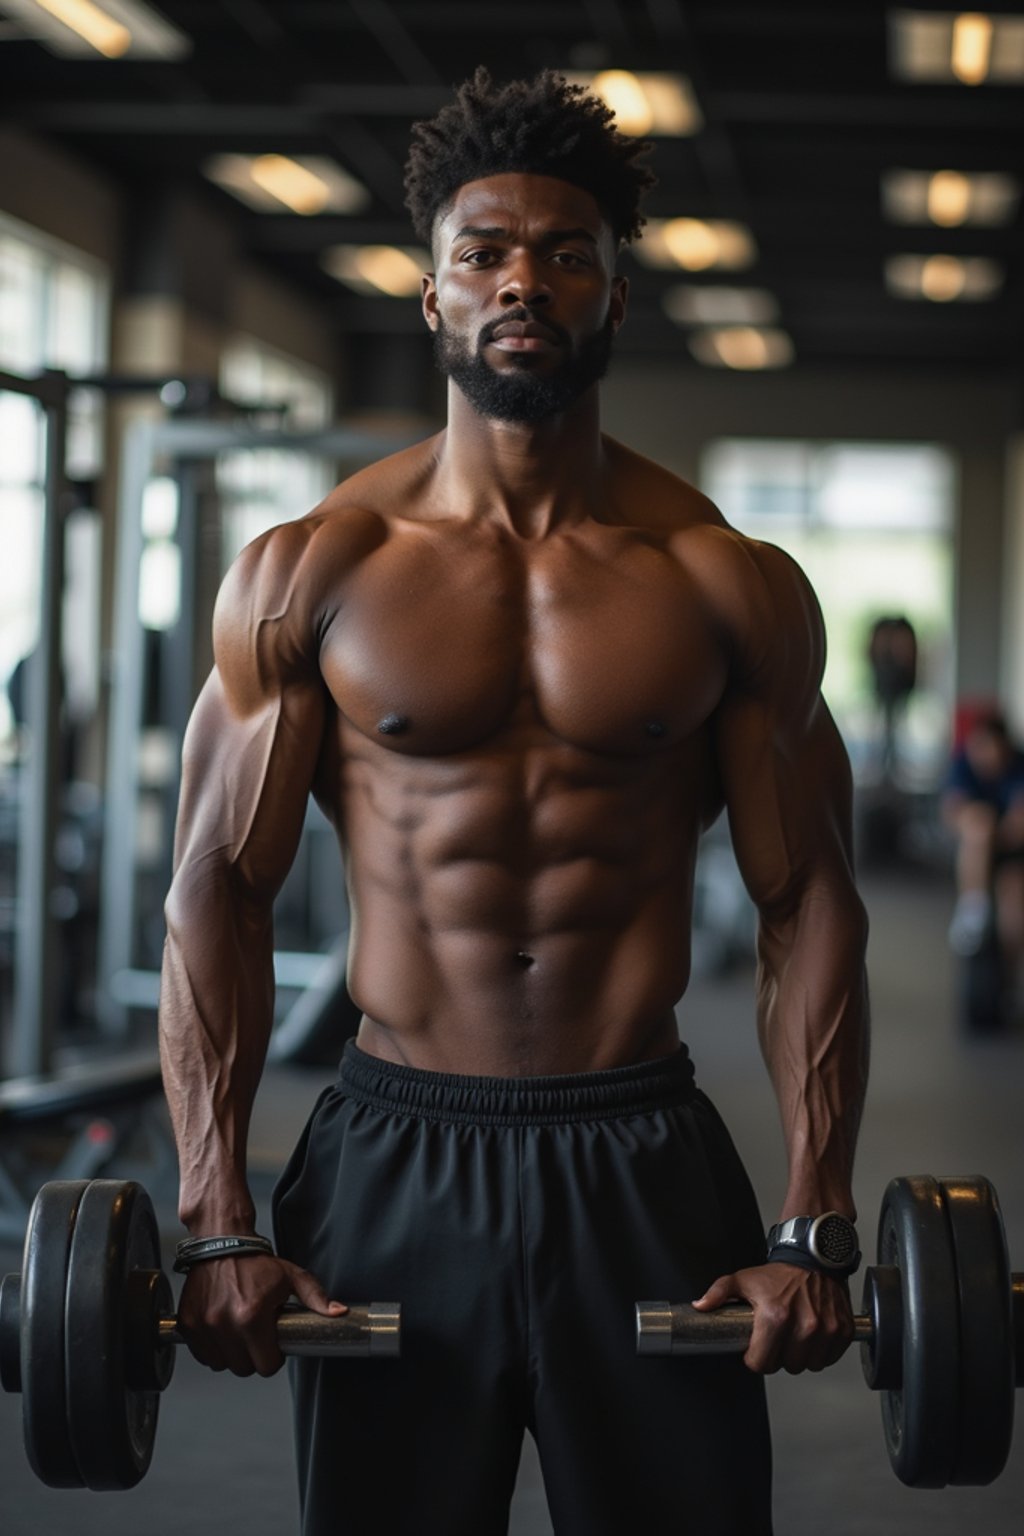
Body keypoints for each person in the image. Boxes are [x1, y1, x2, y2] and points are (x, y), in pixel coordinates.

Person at [159, 68, 869, 1536]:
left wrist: (811, 1213)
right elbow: (214, 890)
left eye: (563, 252)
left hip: (640, 1148)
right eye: (483, 251)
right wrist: (219, 1209)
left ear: (615, 296)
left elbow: (809, 897)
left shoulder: (725, 581)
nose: (521, 280)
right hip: (395, 1144)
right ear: (432, 295)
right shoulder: (315, 572)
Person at [943, 706, 1024, 970]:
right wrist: (982, 826)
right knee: (979, 826)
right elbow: (953, 813)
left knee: (1014, 917)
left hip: (1014, 857)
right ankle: (973, 909)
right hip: (977, 851)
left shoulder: (1018, 766)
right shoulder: (963, 764)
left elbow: (1019, 826)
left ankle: (1010, 982)